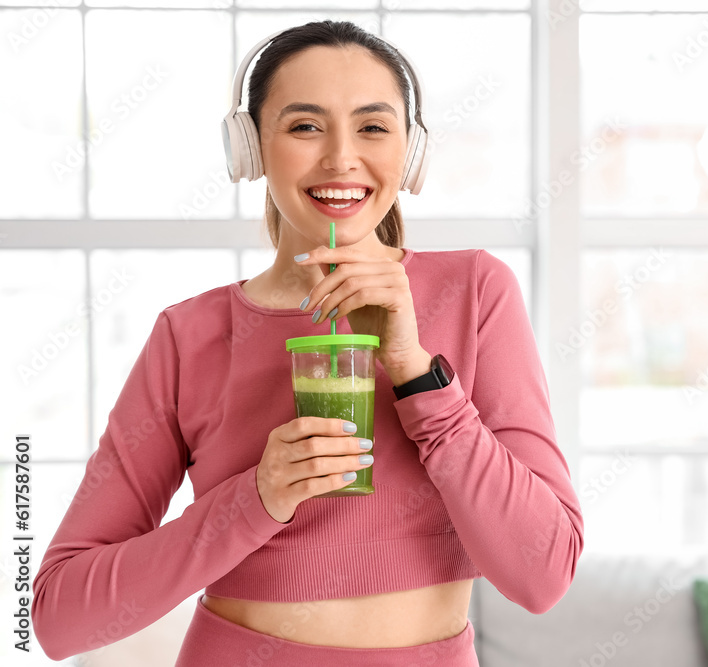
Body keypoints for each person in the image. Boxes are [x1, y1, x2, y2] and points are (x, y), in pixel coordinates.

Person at [31, 19, 583, 667]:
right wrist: (255, 498)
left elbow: (542, 574)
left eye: (373, 127)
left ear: (411, 152)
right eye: (304, 126)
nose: (341, 158)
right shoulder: (190, 335)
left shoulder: (475, 291)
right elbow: (59, 617)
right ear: (251, 148)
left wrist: (416, 374)